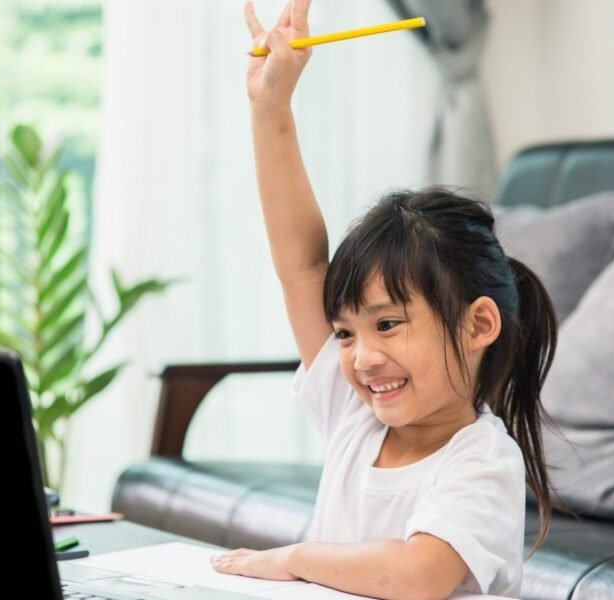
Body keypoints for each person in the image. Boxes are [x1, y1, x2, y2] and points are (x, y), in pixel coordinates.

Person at [209, 1, 557, 598]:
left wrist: (294, 557)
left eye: (388, 324)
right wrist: (270, 108)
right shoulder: (355, 417)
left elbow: (419, 575)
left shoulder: (482, 463)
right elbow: (301, 266)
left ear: (478, 325)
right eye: (345, 332)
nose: (361, 357)